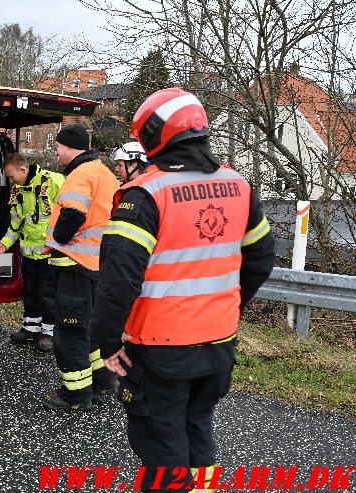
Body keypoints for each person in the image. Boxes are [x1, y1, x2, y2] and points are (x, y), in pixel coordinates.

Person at [91, 88, 275, 492]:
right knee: (197, 427)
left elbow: (117, 281)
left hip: (160, 349)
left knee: (161, 442)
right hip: (219, 341)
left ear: (154, 136)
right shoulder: (238, 186)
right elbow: (261, 258)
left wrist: (105, 343)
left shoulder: (145, 195)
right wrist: (227, 307)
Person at [41, 123, 120, 411]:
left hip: (75, 266)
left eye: (58, 147)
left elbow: (73, 214)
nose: (57, 153)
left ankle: (75, 395)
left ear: (70, 147)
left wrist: (60, 237)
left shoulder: (79, 175)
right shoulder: (105, 174)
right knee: (92, 329)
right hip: (100, 267)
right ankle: (102, 381)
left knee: (71, 332)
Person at [0, 153, 64, 352]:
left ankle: (50, 332)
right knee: (30, 291)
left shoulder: (54, 182)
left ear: (23, 170)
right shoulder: (17, 191)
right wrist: (5, 245)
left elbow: (72, 213)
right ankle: (31, 328)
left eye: (12, 176)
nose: (10, 181)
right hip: (30, 255)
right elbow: (15, 225)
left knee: (48, 294)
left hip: (51, 254)